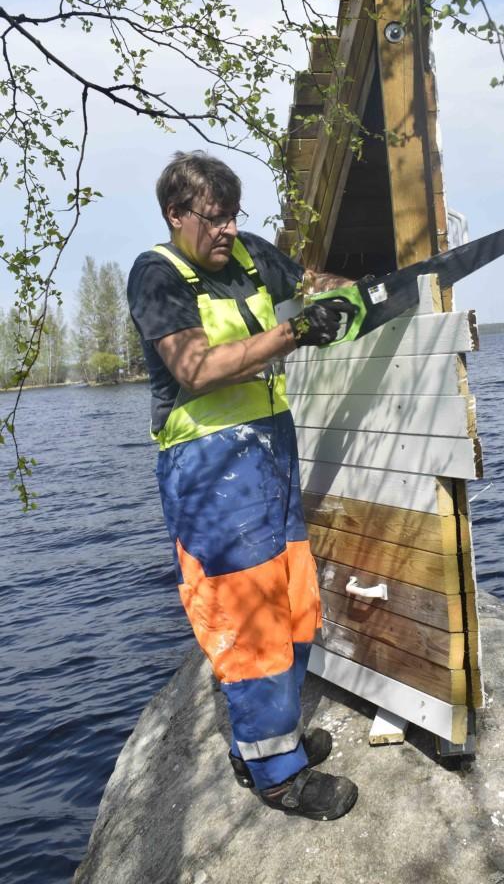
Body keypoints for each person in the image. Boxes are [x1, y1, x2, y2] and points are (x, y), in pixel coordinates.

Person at [127, 150, 359, 821]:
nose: (226, 230)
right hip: (209, 469)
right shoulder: (156, 274)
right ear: (175, 216)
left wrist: (365, 293)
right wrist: (292, 332)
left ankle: (265, 743)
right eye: (211, 218)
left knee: (292, 600)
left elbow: (314, 283)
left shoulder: (253, 255)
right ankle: (277, 777)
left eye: (232, 215)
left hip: (270, 453)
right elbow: (195, 369)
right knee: (246, 614)